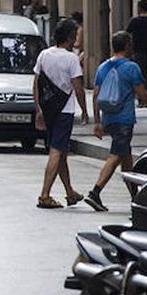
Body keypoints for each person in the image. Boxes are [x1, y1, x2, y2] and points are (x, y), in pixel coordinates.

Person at [84, 30, 147, 211]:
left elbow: (96, 95)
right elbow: (142, 95)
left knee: (125, 157)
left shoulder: (102, 67)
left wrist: (97, 121)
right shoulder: (132, 67)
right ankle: (95, 192)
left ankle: (135, 197)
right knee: (115, 156)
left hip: (109, 118)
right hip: (124, 119)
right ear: (127, 46)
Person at [34, 18, 90, 209]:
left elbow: (37, 84)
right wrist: (84, 110)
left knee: (62, 151)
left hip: (49, 109)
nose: (77, 37)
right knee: (56, 151)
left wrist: (39, 108)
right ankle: (44, 195)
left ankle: (69, 192)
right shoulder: (71, 58)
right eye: (75, 34)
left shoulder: (43, 55)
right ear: (68, 36)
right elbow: (78, 87)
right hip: (64, 111)